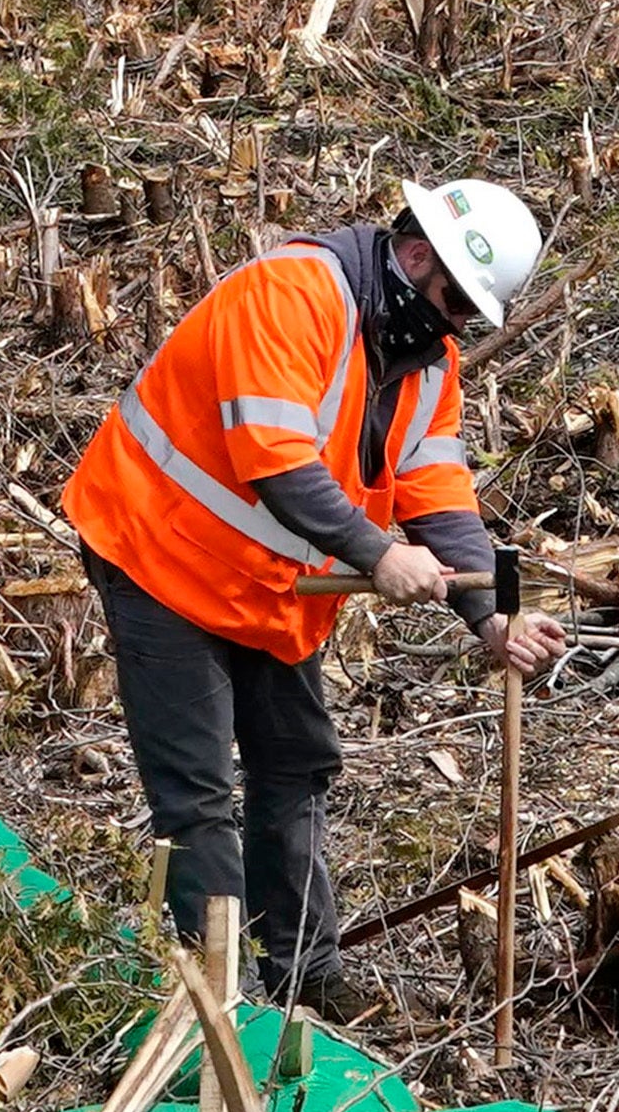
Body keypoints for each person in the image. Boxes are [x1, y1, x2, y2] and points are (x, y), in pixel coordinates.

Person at [63, 179, 569, 1012]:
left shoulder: (425, 362)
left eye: (472, 314)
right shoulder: (291, 294)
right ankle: (220, 1009)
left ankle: (309, 980)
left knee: (296, 763)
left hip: (268, 582)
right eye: (455, 301)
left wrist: (490, 615)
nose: (458, 324)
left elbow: (436, 484)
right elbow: (275, 459)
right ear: (415, 259)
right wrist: (378, 553)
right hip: (158, 550)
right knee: (196, 788)